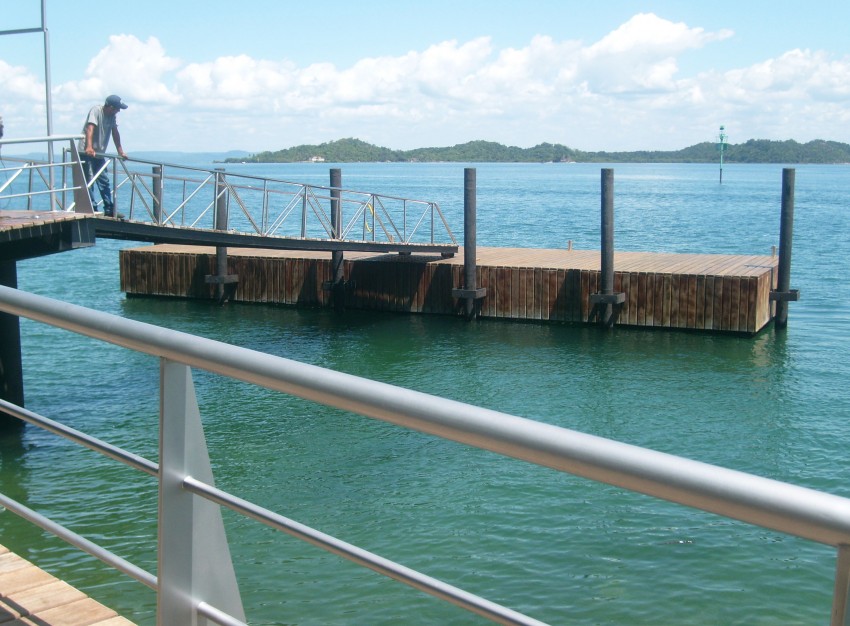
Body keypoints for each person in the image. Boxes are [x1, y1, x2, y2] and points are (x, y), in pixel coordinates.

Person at [79, 95, 128, 217]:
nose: (118, 111)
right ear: (111, 107)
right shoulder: (96, 110)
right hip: (86, 152)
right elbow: (90, 128)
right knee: (89, 179)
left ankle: (109, 209)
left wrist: (120, 151)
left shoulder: (112, 116)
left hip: (99, 154)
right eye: (117, 108)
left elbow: (115, 133)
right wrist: (89, 147)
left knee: (104, 181)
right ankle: (92, 207)